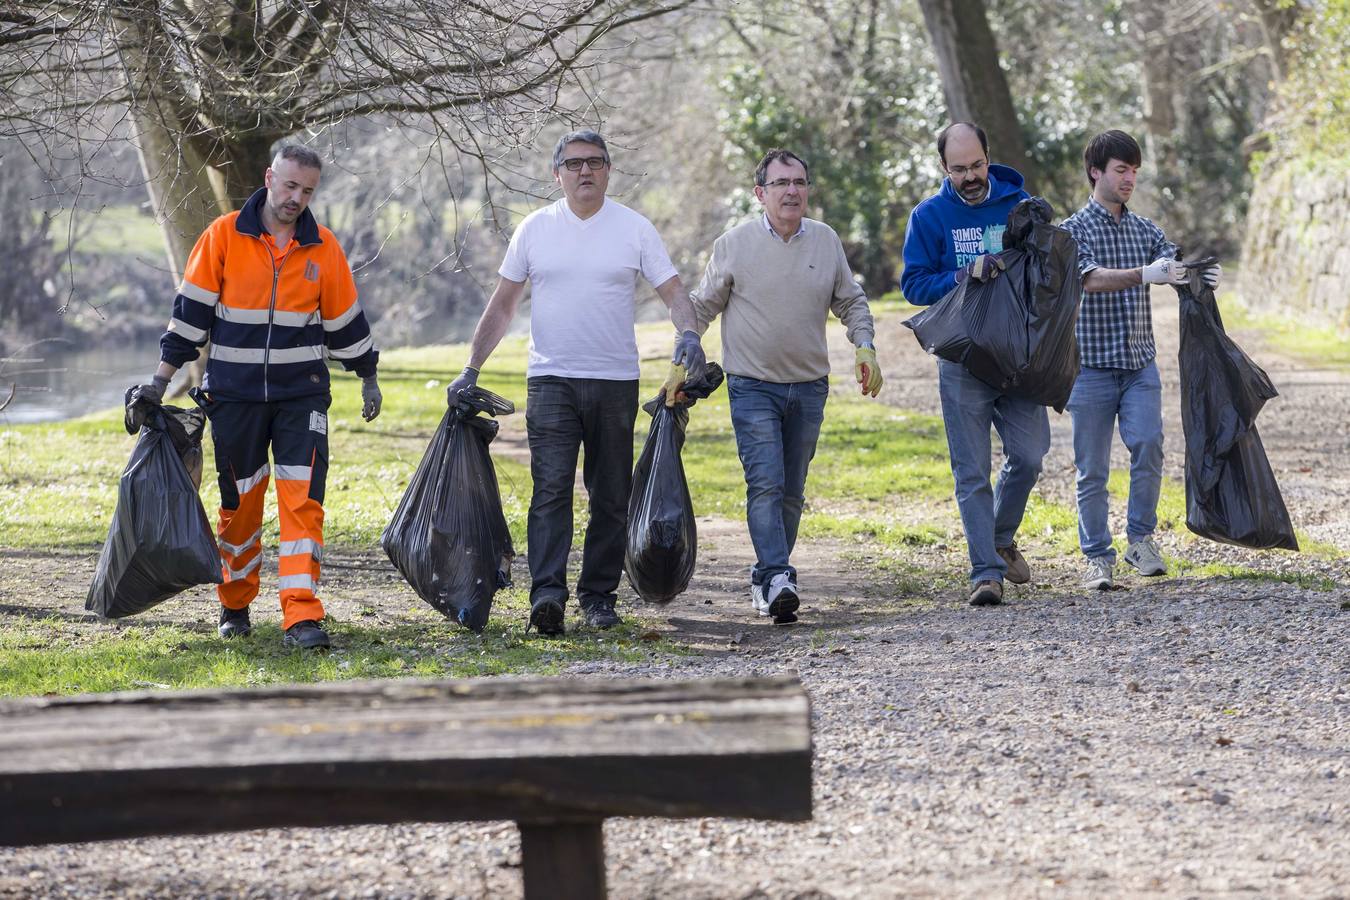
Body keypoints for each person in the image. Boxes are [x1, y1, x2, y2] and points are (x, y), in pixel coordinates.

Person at [446, 129, 704, 636]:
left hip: (614, 381)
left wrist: (690, 332)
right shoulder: (535, 229)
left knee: (610, 494)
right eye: (575, 163)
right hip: (551, 381)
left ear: (608, 170)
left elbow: (673, 290)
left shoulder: (634, 228)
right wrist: (470, 368)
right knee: (551, 491)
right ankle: (547, 596)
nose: (585, 171)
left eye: (596, 162)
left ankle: (598, 597)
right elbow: (503, 305)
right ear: (557, 173)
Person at [130, 144, 382, 649]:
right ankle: (236, 602)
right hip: (234, 399)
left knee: (303, 503)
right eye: (290, 186)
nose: (297, 198)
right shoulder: (222, 236)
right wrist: (159, 382)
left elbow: (345, 324)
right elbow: (189, 319)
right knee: (240, 508)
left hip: (302, 399)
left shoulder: (323, 247)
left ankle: (302, 616)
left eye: (307, 190)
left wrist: (367, 375)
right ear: (269, 178)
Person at [690, 148, 882, 625]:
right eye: (781, 184)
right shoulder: (733, 244)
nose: (792, 191)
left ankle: (766, 579)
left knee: (792, 490)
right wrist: (684, 351)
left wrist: (864, 346)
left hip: (809, 386)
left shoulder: (825, 240)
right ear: (761, 194)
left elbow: (851, 301)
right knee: (767, 483)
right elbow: (701, 307)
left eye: (799, 182)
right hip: (752, 385)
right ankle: (779, 576)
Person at [1061, 129, 1221, 590]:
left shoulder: (1146, 229)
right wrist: (1142, 274)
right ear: (1096, 172)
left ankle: (1140, 540)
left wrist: (1197, 274)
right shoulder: (1074, 231)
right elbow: (1089, 279)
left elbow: (1171, 265)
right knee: (1091, 468)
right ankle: (1096, 556)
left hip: (1138, 366)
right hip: (1089, 367)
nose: (1129, 178)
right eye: (1121, 170)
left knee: (1149, 446)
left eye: (1134, 170)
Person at [900, 122, 1045, 607]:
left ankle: (1000, 539)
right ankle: (985, 572)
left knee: (1029, 455)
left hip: (1016, 355)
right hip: (962, 357)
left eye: (977, 165)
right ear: (945, 168)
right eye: (959, 169)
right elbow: (914, 286)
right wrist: (964, 274)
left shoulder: (1019, 204)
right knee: (971, 471)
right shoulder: (929, 216)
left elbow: (1049, 270)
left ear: (989, 156)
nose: (970, 176)